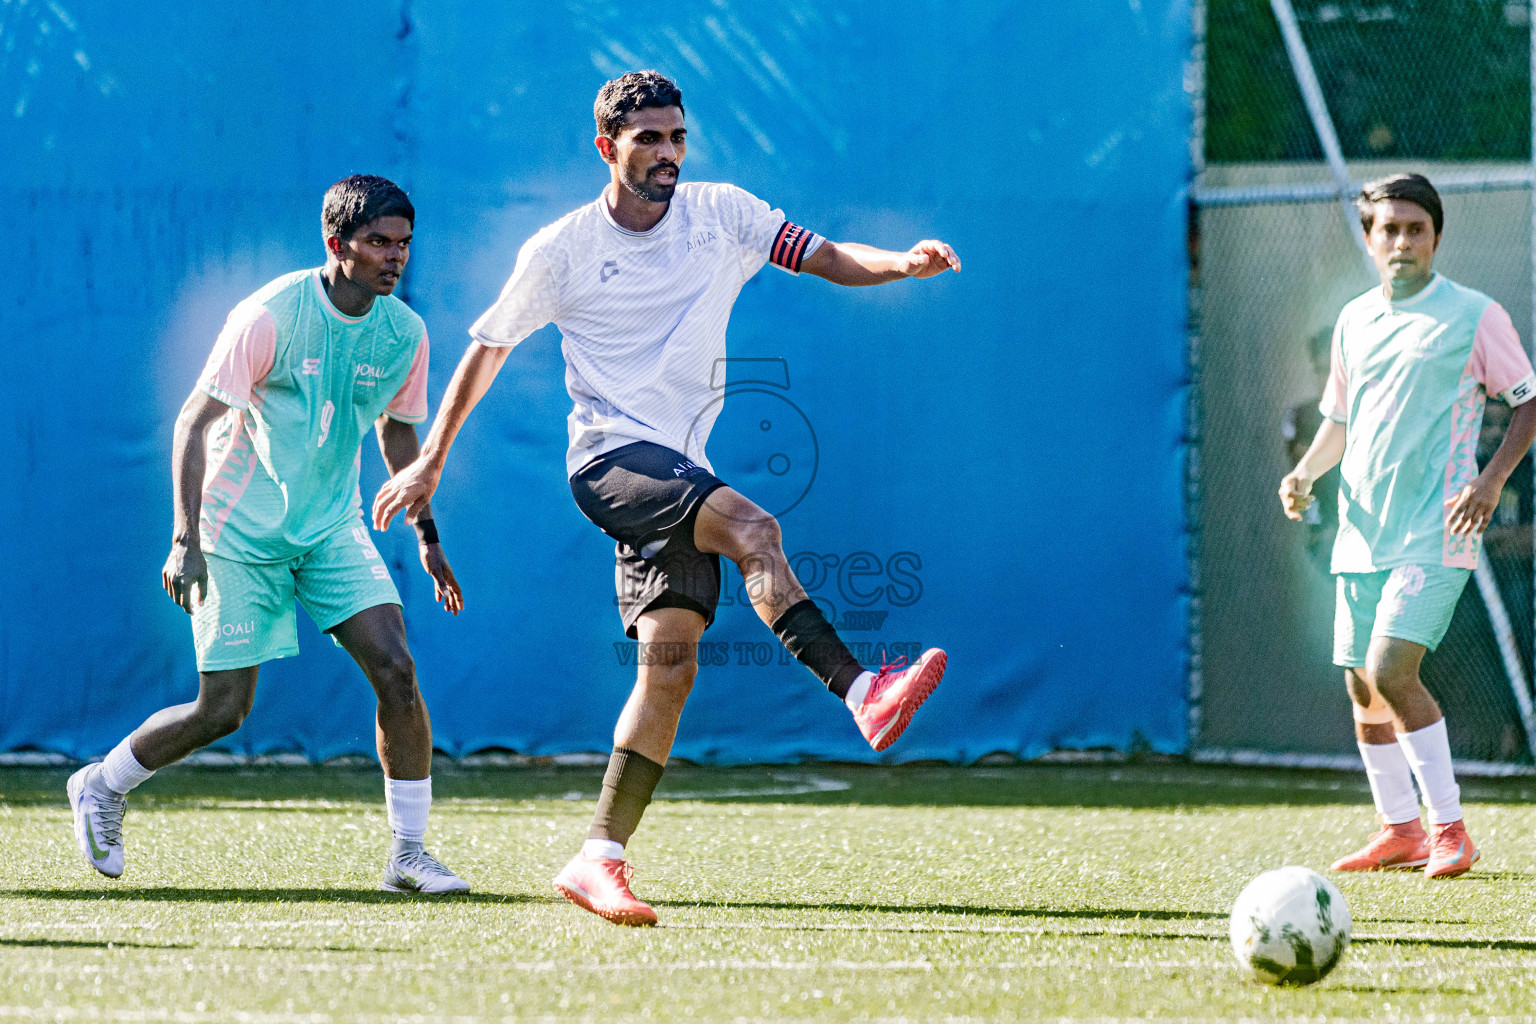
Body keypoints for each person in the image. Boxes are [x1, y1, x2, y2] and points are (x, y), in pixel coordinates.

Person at [374, 71, 958, 925]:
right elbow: (488, 349)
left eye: (677, 137)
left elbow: (824, 254)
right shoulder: (562, 249)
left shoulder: (722, 214)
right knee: (755, 527)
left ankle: (596, 857)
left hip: (678, 464)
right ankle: (861, 689)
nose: (668, 154)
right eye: (649, 139)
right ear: (607, 148)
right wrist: (430, 460)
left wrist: (900, 265)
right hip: (610, 461)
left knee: (670, 667)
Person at [68, 175, 470, 895]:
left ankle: (409, 855)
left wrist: (428, 533)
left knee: (397, 671)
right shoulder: (270, 315)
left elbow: (399, 429)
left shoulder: (403, 332)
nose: (395, 257)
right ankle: (102, 783)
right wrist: (184, 539)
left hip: (331, 528)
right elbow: (194, 421)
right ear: (336, 243)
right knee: (223, 709)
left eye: (404, 243)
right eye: (379, 242)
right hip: (236, 533)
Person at [1279, 173, 1536, 879]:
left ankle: (1450, 828)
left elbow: (1528, 403)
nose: (1402, 241)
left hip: (1437, 528)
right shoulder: (1354, 322)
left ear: (1436, 237)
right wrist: (1304, 474)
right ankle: (1401, 831)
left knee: (1394, 670)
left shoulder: (1476, 315)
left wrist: (1490, 483)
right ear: (1369, 240)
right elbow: (1336, 422)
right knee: (1363, 687)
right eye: (1388, 229)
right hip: (1360, 532)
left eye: (1415, 229)